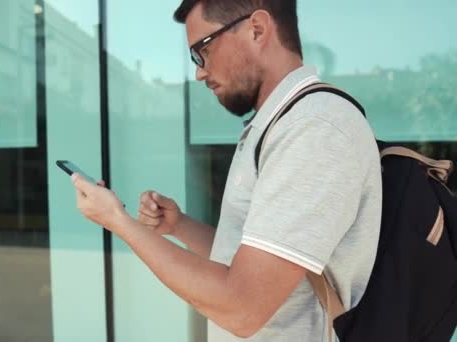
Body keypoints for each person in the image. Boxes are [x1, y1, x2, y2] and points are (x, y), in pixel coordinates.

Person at [70, 0, 382, 340]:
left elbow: (243, 308)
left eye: (202, 50)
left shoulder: (314, 129)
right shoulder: (277, 124)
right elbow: (251, 261)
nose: (199, 72)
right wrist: (180, 226)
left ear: (258, 29)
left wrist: (119, 221)